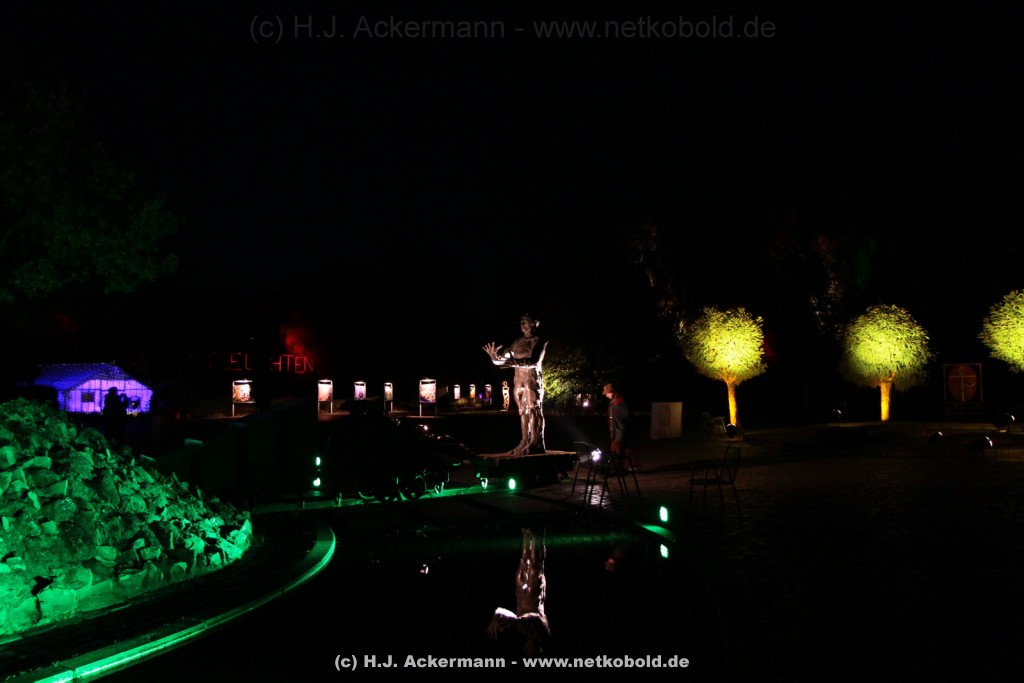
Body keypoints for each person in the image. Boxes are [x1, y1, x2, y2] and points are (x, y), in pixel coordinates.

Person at [483, 314, 548, 455]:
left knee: (534, 410)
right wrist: (494, 358)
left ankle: (535, 442)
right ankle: (524, 441)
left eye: (526, 322)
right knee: (522, 411)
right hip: (519, 381)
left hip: (532, 380)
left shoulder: (539, 340)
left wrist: (514, 362)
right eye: (521, 322)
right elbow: (503, 359)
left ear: (534, 324)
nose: (523, 325)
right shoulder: (517, 342)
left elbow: (534, 362)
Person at [486, 528, 550, 656]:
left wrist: (495, 619)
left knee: (524, 562)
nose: (530, 649)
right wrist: (517, 620)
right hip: (534, 594)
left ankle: (526, 534)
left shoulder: (522, 631)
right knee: (536, 565)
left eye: (528, 651)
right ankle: (540, 534)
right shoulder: (543, 636)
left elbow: (500, 610)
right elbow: (536, 618)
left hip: (522, 593)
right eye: (533, 652)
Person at [603, 383, 635, 468]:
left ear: (613, 392)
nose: (606, 395)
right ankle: (627, 465)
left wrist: (621, 427)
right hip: (615, 430)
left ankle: (622, 466)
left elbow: (625, 415)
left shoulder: (619, 401)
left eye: (607, 393)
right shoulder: (613, 402)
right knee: (620, 448)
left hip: (619, 430)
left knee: (618, 448)